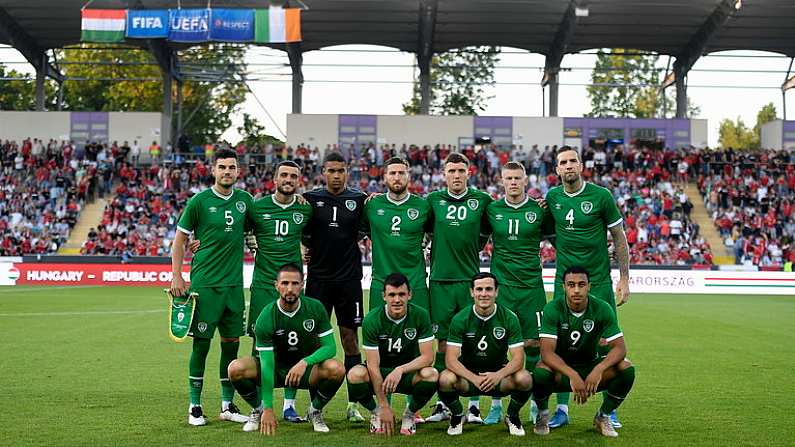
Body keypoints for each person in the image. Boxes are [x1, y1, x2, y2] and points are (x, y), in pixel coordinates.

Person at [545, 146, 630, 428]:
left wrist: (625, 278)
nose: (568, 166)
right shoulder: (553, 197)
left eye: (572, 161)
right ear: (556, 169)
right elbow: (545, 229)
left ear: (580, 166)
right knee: (560, 346)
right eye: (562, 162)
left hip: (599, 281)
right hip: (565, 284)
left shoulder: (601, 196)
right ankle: (562, 410)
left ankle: (608, 412)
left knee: (607, 345)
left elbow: (619, 236)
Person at [170, 148, 254, 426]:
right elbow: (179, 241)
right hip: (205, 285)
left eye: (232, 167)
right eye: (222, 167)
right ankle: (194, 406)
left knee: (231, 346)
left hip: (234, 287)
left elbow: (259, 225)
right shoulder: (199, 201)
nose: (227, 172)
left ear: (237, 171)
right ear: (213, 170)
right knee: (201, 347)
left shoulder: (245, 200)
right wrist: (177, 277)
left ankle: (227, 405)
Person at [227, 264, 346, 435]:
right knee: (236, 369)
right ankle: (258, 409)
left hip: (305, 371)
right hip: (275, 370)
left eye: (295, 283)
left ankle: (315, 411)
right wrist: (268, 407)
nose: (290, 289)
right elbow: (267, 365)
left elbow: (330, 347)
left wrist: (306, 362)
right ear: (276, 285)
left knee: (337, 369)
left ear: (302, 284)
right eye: (285, 283)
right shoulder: (267, 316)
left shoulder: (315, 308)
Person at [424, 153, 492, 424]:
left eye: (460, 170)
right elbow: (423, 226)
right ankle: (443, 403)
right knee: (442, 343)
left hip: (468, 283)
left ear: (468, 173)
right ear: (444, 173)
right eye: (451, 170)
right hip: (440, 281)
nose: (456, 175)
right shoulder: (433, 200)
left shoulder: (482, 200)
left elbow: (490, 227)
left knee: (472, 342)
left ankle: (474, 404)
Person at [483, 161, 553, 424]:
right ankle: (496, 404)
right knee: (499, 345)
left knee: (534, 344)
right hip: (502, 289)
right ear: (502, 181)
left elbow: (559, 238)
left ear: (526, 180)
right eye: (508, 178)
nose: (513, 182)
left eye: (517, 178)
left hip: (532, 287)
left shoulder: (539, 210)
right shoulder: (492, 209)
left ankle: (536, 403)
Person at [303, 151, 369, 422]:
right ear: (323, 172)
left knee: (350, 340)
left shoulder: (360, 200)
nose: (336, 175)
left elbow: (370, 227)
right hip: (318, 280)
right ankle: (314, 406)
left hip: (349, 280)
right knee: (315, 342)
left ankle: (353, 405)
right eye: (331, 171)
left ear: (347, 172)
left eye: (341, 170)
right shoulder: (309, 199)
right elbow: (299, 231)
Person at [532, 266, 635, 438]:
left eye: (581, 284)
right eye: (571, 285)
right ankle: (542, 415)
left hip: (590, 367)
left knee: (626, 368)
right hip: (562, 370)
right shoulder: (552, 308)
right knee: (540, 371)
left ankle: (603, 416)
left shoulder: (602, 308)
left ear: (589, 286)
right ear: (564, 287)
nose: (577, 290)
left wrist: (598, 369)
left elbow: (620, 348)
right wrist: (572, 375)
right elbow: (547, 353)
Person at [248, 160, 313, 422]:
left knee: (292, 347)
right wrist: (199, 242)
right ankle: (260, 405)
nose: (288, 179)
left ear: (299, 181)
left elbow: (316, 236)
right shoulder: (257, 207)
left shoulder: (304, 210)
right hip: (264, 285)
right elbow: (233, 231)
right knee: (258, 347)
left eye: (293, 176)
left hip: (293, 288)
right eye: (284, 175)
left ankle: (288, 405)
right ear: (274, 178)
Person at [438, 272, 533, 437]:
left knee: (525, 378)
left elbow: (518, 359)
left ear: (496, 292)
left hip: (498, 377)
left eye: (489, 289)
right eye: (479, 289)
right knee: (445, 379)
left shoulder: (509, 318)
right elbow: (450, 360)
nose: (484, 294)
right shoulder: (460, 318)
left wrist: (498, 375)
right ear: (471, 292)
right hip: (468, 378)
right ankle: (458, 416)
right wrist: (474, 378)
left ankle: (512, 416)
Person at [347, 272, 438, 436]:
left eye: (402, 294)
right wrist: (383, 406)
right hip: (380, 371)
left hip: (407, 373)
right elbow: (372, 365)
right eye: (392, 295)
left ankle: (409, 415)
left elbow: (428, 357)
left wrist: (400, 369)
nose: (397, 300)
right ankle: (376, 413)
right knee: (355, 374)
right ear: (384, 296)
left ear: (410, 295)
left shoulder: (421, 315)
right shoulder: (372, 320)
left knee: (431, 374)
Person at [363, 157, 431, 310]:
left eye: (402, 173)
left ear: (409, 176)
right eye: (392, 173)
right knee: (379, 333)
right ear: (385, 177)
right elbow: (360, 232)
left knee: (420, 332)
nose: (397, 177)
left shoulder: (423, 206)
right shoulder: (372, 205)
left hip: (415, 282)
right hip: (382, 282)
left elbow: (435, 234)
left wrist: (426, 246)